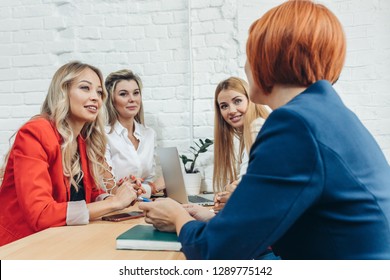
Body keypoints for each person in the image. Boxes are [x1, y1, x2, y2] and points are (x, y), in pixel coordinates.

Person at [139, 0, 390, 259]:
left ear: (266, 59)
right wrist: (214, 221)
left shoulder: (294, 124)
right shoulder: (328, 114)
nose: (246, 67)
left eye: (249, 56)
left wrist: (178, 217)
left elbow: (216, 253)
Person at [0, 61, 138, 246]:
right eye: (85, 88)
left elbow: (89, 193)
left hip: (61, 239)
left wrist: (118, 196)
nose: (95, 97)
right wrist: (113, 204)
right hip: (22, 245)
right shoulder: (35, 133)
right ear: (63, 92)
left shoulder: (82, 139)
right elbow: (41, 214)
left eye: (98, 92)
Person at [104, 69, 164, 198]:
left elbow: (147, 179)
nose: (132, 99)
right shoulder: (103, 135)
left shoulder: (149, 134)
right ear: (111, 100)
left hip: (142, 205)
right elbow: (110, 190)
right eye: (123, 94)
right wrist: (154, 188)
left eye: (136, 93)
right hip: (116, 209)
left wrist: (144, 187)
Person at [212, 77, 269, 210]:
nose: (231, 110)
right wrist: (230, 188)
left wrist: (233, 190)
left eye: (237, 101)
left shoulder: (257, 127)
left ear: (251, 101)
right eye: (224, 106)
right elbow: (248, 182)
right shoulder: (249, 132)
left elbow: (253, 188)